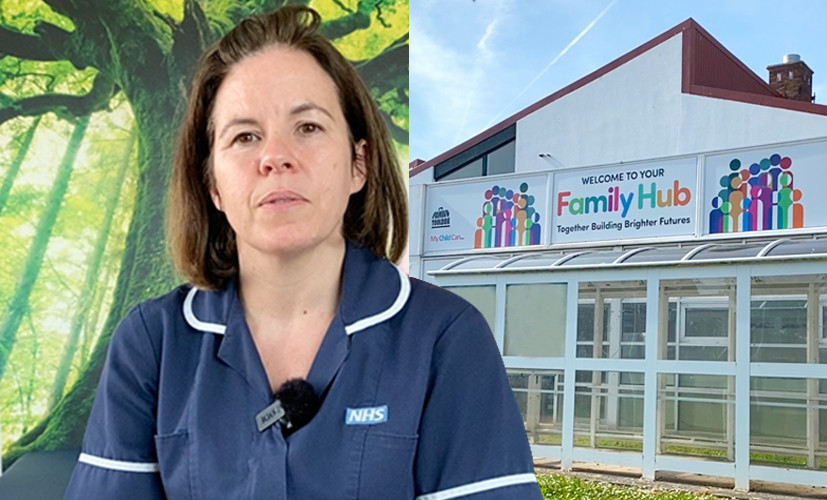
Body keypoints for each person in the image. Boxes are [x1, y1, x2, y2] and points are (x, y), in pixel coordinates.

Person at [64, 5, 542, 499]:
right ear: (212, 185)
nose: (275, 157)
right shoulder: (152, 344)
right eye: (245, 137)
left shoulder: (446, 339)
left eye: (308, 127)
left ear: (359, 163)